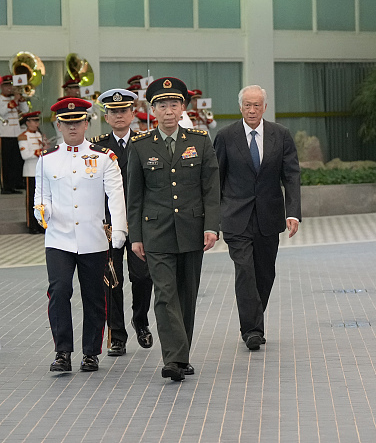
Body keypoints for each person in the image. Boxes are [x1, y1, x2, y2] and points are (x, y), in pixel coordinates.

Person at [127, 77, 220, 381]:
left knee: (186, 295)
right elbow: (135, 196)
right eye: (162, 105)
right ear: (152, 109)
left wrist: (211, 227)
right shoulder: (140, 146)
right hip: (156, 232)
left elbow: (211, 189)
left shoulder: (200, 140)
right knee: (165, 294)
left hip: (192, 229)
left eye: (174, 104)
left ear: (183, 108)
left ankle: (182, 354)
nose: (169, 111)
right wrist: (136, 236)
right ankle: (174, 359)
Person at [34, 98, 127, 373]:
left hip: (93, 238)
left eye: (77, 122)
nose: (72, 128)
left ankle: (91, 353)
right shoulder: (46, 160)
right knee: (60, 290)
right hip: (59, 239)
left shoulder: (103, 158)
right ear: (58, 126)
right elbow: (42, 196)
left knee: (94, 296)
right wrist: (42, 212)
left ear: (87, 123)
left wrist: (119, 230)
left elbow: (116, 197)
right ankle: (62, 351)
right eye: (66, 123)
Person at [214, 85, 301, 350]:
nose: (252, 110)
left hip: (268, 216)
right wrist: (211, 221)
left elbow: (292, 175)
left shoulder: (281, 135)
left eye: (257, 105)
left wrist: (293, 213)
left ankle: (254, 318)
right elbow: (215, 180)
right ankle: (251, 329)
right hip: (235, 217)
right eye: (247, 105)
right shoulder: (226, 136)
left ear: (265, 107)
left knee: (265, 273)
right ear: (240, 107)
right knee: (245, 271)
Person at [91, 89, 154, 356]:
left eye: (124, 111)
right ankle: (117, 335)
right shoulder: (96, 146)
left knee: (142, 277)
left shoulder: (145, 141)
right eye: (113, 112)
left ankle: (140, 320)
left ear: (132, 113)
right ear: (106, 116)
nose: (119, 116)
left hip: (139, 222)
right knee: (111, 279)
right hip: (107, 224)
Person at [1, 75, 30, 194]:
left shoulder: (15, 98)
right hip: (4, 134)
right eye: (7, 85)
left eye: (11, 85)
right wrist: (14, 101)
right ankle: (6, 185)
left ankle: (17, 182)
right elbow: (2, 112)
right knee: (6, 161)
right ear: (1, 87)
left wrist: (21, 100)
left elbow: (26, 110)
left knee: (17, 160)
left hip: (17, 133)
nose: (10, 88)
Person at [18, 111, 46, 233]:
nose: (37, 123)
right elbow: (25, 155)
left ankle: (41, 224)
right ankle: (31, 225)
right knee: (31, 201)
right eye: (34, 121)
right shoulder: (23, 136)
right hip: (30, 171)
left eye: (37, 121)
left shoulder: (39, 135)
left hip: (41, 171)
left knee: (42, 200)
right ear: (28, 122)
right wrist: (40, 151)